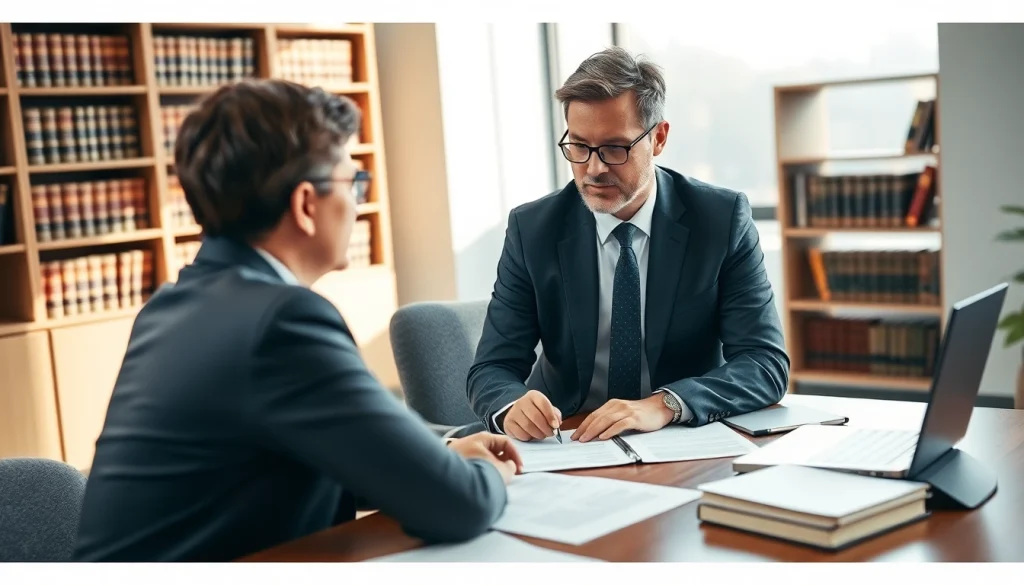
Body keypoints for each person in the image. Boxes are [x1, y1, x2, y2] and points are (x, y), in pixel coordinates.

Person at [74, 79, 521, 562]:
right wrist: (488, 476)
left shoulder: (173, 304)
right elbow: (459, 506)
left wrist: (445, 448)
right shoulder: (280, 322)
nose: (357, 203)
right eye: (353, 183)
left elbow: (327, 438)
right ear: (307, 204)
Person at [467, 47, 789, 443]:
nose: (594, 168)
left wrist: (664, 404)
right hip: (567, 436)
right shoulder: (533, 229)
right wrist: (512, 405)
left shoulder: (720, 219)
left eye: (615, 148)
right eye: (579, 146)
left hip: (680, 434)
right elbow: (491, 368)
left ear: (658, 138)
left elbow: (764, 363)